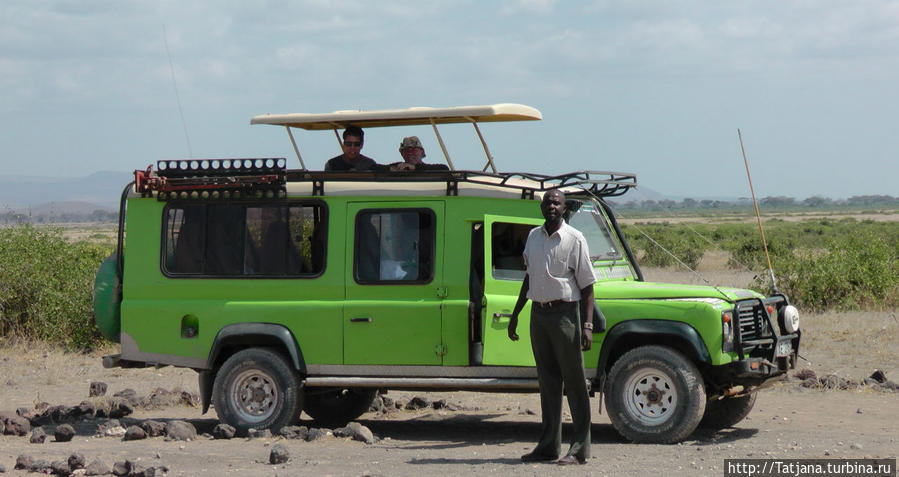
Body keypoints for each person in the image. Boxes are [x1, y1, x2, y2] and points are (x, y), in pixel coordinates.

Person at [508, 188, 596, 466]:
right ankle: (548, 447)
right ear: (542, 207)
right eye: (547, 203)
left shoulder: (575, 239)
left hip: (565, 314)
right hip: (539, 314)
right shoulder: (533, 237)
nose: (552, 207)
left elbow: (588, 287)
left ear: (564, 208)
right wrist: (515, 314)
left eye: (556, 203)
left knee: (574, 383)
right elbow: (529, 277)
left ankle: (580, 449)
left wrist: (587, 325)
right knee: (548, 383)